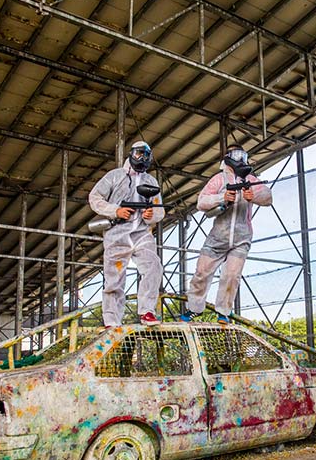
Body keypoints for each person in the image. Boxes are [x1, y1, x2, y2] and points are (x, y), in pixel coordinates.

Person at [180, 143, 272, 323]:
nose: (239, 159)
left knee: (231, 275)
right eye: (235, 155)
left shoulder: (251, 179)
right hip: (217, 237)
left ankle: (224, 311)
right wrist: (221, 197)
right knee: (202, 272)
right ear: (228, 158)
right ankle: (194, 308)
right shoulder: (219, 179)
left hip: (242, 238)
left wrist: (253, 196)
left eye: (242, 155)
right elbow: (201, 202)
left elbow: (268, 197)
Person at [89, 140, 165, 327]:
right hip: (117, 234)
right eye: (139, 154)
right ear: (131, 154)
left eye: (146, 155)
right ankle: (112, 320)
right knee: (114, 278)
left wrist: (151, 215)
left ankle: (147, 311)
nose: (142, 158)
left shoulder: (151, 181)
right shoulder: (115, 176)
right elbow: (95, 197)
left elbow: (159, 209)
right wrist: (116, 210)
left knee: (154, 267)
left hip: (142, 234)